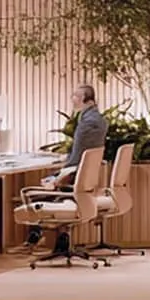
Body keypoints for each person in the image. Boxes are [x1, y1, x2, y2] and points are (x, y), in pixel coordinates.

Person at [22, 84, 105, 254]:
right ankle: (61, 238)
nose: (72, 99)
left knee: (36, 193)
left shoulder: (86, 124)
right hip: (83, 179)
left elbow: (76, 161)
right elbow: (83, 154)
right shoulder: (99, 119)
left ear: (84, 99)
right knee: (52, 187)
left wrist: (56, 178)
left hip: (74, 176)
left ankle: (36, 236)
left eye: (75, 96)